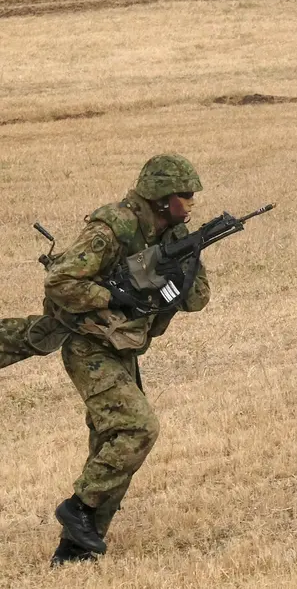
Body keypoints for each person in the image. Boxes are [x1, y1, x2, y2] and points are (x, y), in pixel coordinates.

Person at [43, 154, 211, 565]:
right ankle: (79, 508)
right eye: (184, 196)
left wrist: (180, 267)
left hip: (122, 346)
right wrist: (111, 295)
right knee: (138, 429)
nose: (190, 204)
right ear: (159, 196)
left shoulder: (173, 235)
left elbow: (198, 299)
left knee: (110, 443)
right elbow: (60, 280)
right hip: (88, 344)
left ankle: (76, 549)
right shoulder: (111, 228)